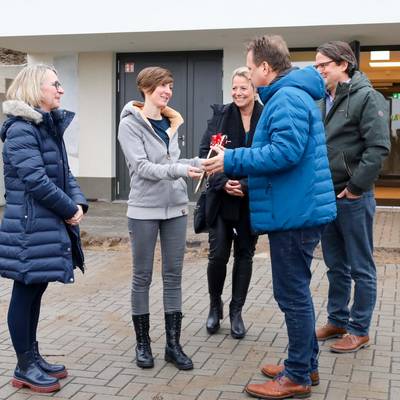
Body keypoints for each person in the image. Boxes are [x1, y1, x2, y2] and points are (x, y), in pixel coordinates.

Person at [203, 35, 337, 400]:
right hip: (296, 208)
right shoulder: (290, 95)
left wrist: (231, 160)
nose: (247, 73)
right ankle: (305, 363)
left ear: (265, 67)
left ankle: (296, 375)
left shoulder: (287, 98)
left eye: (249, 66)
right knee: (297, 293)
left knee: (291, 295)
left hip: (296, 214)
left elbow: (285, 153)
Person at [0, 64, 88, 393]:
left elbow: (64, 175)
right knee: (25, 293)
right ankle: (24, 366)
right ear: (37, 89)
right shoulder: (23, 129)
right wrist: (68, 209)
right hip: (29, 228)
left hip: (42, 223)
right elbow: (37, 181)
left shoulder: (45, 126)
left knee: (35, 291)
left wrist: (78, 204)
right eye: (55, 84)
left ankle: (33, 357)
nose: (61, 89)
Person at [118, 66, 203, 371]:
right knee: (142, 278)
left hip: (176, 209)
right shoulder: (129, 125)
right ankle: (143, 345)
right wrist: (180, 170)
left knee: (173, 277)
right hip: (143, 211)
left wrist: (199, 162)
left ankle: (173, 346)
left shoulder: (171, 121)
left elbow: (173, 162)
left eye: (170, 85)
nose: (167, 91)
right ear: (146, 89)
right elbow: (142, 168)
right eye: (162, 86)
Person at [314, 41, 391, 353]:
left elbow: (378, 148)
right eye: (317, 66)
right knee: (335, 265)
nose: (318, 71)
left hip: (353, 197)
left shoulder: (366, 96)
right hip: (328, 195)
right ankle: (337, 320)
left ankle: (359, 329)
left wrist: (357, 188)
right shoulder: (323, 100)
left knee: (361, 266)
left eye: (323, 65)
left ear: (343, 64)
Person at [199, 67, 262, 339]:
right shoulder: (221, 116)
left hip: (251, 201)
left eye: (243, 88)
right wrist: (223, 182)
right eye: (234, 88)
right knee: (218, 256)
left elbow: (271, 157)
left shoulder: (266, 117)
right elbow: (206, 153)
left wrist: (246, 185)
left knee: (245, 256)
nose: (237, 93)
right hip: (221, 200)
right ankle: (215, 306)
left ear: (254, 89)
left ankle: (237, 311)